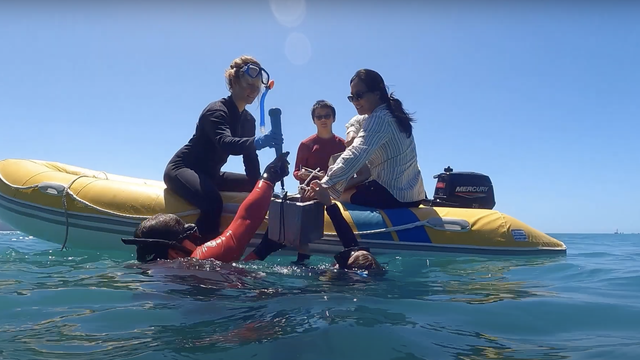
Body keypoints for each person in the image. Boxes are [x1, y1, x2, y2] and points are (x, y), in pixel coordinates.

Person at [163, 55, 284, 242]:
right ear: (234, 82)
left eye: (257, 86)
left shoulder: (248, 120)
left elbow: (250, 160)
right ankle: (196, 258)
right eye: (248, 84)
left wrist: (265, 182)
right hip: (183, 169)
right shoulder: (217, 110)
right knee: (213, 203)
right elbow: (225, 142)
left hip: (211, 174)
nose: (253, 90)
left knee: (256, 186)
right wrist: (260, 141)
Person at [122, 152, 291, 263]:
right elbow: (246, 220)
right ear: (174, 252)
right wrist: (268, 178)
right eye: (188, 233)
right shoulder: (201, 258)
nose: (196, 234)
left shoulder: (156, 272)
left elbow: (229, 271)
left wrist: (262, 251)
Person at [304, 69, 426, 210]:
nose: (355, 101)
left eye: (359, 95)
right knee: (344, 190)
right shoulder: (390, 113)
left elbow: (356, 153)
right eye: (352, 97)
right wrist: (352, 133)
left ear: (377, 93)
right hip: (414, 195)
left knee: (337, 196)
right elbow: (356, 121)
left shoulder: (379, 119)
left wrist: (325, 184)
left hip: (394, 195)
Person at [244, 180, 384, 274]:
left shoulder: (332, 281)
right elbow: (350, 243)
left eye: (342, 259)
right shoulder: (357, 278)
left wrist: (266, 249)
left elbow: (300, 276)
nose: (337, 262)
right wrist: (328, 204)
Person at [292, 100, 346, 185]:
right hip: (311, 194)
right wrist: (301, 174)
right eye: (319, 117)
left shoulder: (344, 145)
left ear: (334, 118)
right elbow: (296, 172)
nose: (323, 119)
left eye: (327, 116)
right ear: (314, 120)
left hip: (338, 194)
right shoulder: (305, 145)